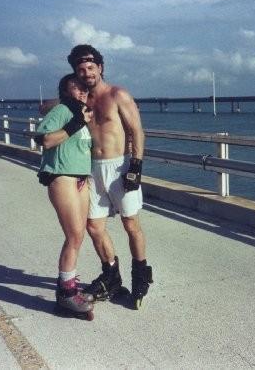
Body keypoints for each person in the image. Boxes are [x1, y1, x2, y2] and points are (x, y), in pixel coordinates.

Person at [67, 44, 153, 309]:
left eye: (91, 67)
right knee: (94, 227)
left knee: (130, 224)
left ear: (100, 68)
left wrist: (136, 166)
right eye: (81, 69)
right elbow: (43, 108)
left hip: (120, 167)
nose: (87, 73)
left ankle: (141, 277)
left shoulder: (117, 95)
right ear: (76, 73)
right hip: (92, 169)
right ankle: (111, 276)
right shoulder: (79, 101)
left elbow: (137, 131)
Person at [35, 73, 95, 319]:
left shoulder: (82, 112)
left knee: (78, 236)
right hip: (62, 177)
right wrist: (75, 124)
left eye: (84, 88)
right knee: (74, 235)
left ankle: (68, 286)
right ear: (65, 92)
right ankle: (66, 295)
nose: (81, 91)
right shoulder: (63, 111)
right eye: (76, 88)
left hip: (80, 178)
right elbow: (44, 139)